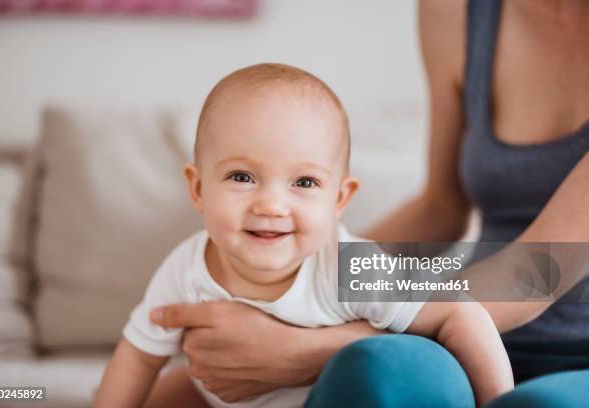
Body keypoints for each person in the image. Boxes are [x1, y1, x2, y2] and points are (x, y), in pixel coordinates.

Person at [147, 1, 589, 407]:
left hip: (519, 337)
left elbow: (544, 267)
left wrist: (311, 344)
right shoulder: (455, 10)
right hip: (458, 335)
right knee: (381, 373)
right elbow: (440, 208)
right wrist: (289, 291)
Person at [95, 63, 513, 408]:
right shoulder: (185, 267)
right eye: (242, 176)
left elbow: (461, 313)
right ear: (199, 189)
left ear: (339, 199)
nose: (271, 205)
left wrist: (497, 402)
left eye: (305, 183)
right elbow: (137, 355)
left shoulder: (349, 266)